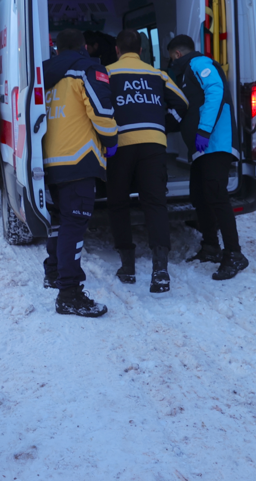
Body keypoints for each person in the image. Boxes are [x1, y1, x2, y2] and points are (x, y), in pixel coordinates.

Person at [42, 28, 118, 317]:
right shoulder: (88, 69)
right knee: (75, 225)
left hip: (49, 160)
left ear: (56, 49)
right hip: (79, 158)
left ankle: (54, 272)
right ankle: (69, 293)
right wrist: (111, 141)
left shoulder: (44, 75)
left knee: (60, 222)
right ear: (85, 47)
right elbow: (100, 110)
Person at [105, 29, 188, 292]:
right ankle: (160, 269)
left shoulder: (106, 73)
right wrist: (163, 125)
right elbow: (182, 103)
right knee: (155, 203)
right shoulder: (158, 74)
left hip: (120, 145)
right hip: (153, 143)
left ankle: (127, 266)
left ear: (117, 50)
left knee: (118, 203)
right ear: (141, 51)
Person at [166, 34, 250, 281]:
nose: (171, 63)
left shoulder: (199, 64)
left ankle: (234, 254)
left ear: (178, 54)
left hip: (216, 143)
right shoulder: (184, 76)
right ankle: (211, 246)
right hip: (202, 148)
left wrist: (203, 130)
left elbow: (216, 91)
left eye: (172, 58)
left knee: (216, 196)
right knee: (199, 195)